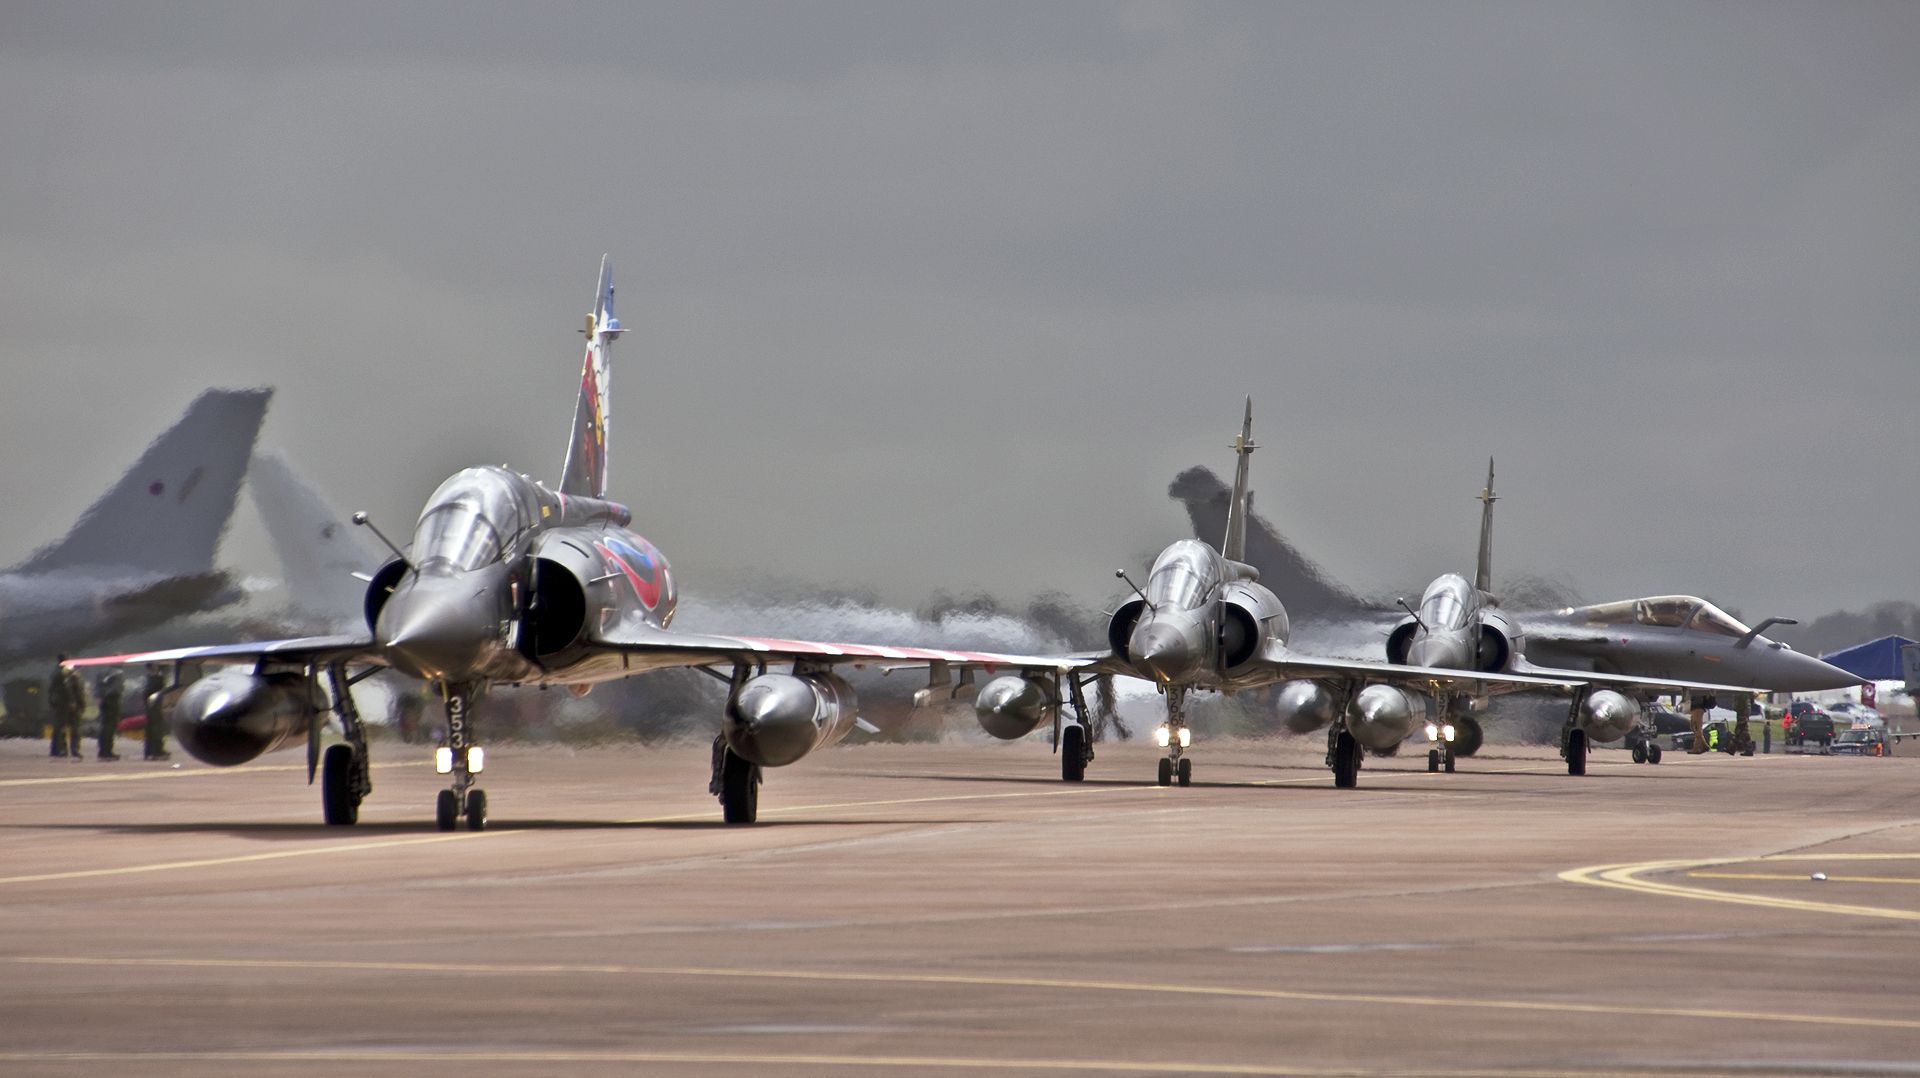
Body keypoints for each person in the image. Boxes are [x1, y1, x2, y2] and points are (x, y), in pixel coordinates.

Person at [47, 657, 85, 761]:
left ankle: (60, 749)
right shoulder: (68, 676)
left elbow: (51, 691)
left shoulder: (57, 674)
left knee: (61, 727)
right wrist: (76, 702)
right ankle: (71, 749)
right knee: (73, 728)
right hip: (69, 705)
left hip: (63, 704)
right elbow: (75, 691)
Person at [142, 665, 171, 761]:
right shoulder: (155, 679)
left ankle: (150, 751)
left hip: (151, 706)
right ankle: (156, 751)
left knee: (151, 728)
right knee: (156, 728)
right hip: (154, 706)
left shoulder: (148, 679)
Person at [95, 669, 123, 760]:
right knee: (109, 728)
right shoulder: (116, 674)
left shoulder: (103, 675)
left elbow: (99, 689)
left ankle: (104, 751)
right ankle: (106, 752)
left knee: (105, 727)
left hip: (106, 703)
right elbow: (116, 689)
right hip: (111, 703)